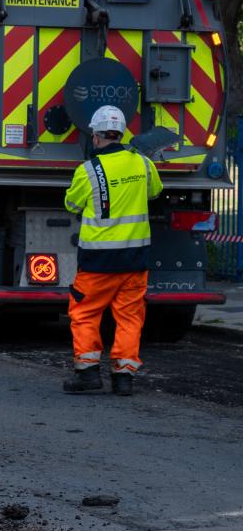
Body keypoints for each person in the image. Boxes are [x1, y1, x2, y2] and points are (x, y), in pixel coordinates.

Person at [62, 104, 163, 396]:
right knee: (130, 317)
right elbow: (155, 192)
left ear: (95, 137)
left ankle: (88, 374)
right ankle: (123, 379)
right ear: (121, 133)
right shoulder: (143, 163)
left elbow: (71, 205)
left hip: (98, 261)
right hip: (135, 259)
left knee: (84, 313)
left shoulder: (88, 170)